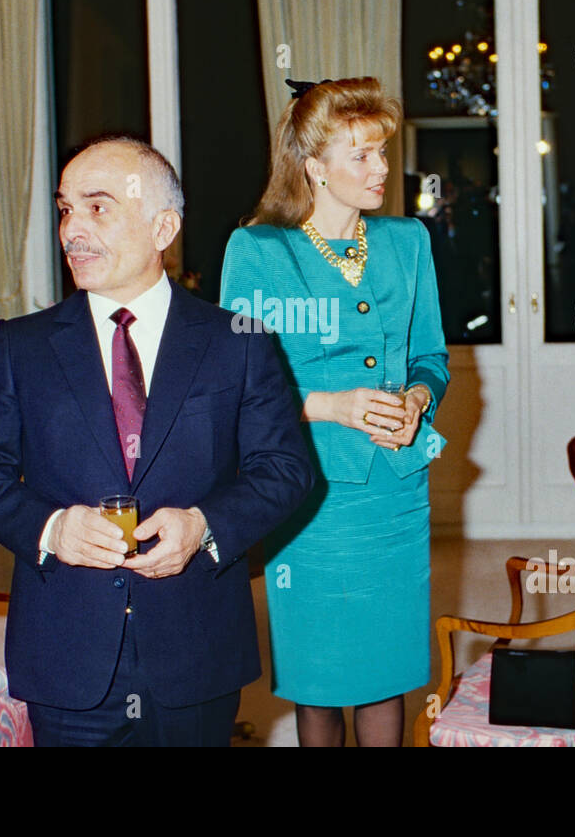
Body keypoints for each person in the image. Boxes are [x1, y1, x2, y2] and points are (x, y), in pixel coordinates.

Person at [0, 136, 313, 746]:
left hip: (195, 651)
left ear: (163, 226)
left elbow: (285, 469)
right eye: (66, 210)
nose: (72, 231)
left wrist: (204, 525)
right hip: (66, 656)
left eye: (98, 207)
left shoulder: (238, 340)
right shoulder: (22, 345)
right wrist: (51, 529)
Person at [219, 77, 449, 746]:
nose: (382, 168)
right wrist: (331, 405)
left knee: (388, 673)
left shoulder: (408, 242)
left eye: (382, 151)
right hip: (308, 497)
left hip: (397, 495)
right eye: (362, 156)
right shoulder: (258, 251)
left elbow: (432, 356)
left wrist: (417, 396)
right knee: (318, 678)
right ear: (313, 167)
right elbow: (236, 386)